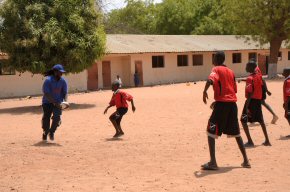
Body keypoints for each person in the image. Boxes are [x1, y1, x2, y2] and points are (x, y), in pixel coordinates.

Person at [202, 51, 250, 170]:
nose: (212, 60)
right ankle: (246, 161)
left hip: (222, 105)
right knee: (236, 132)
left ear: (217, 59)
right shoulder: (231, 71)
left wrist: (204, 91)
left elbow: (210, 80)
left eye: (213, 58)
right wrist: (218, 100)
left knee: (210, 130)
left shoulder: (216, 69)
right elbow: (233, 89)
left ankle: (213, 162)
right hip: (232, 105)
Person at [241, 61, 271, 147]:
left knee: (243, 121)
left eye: (247, 66)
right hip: (258, 101)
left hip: (251, 101)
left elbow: (250, 93)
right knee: (261, 121)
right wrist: (266, 91)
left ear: (250, 67)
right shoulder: (258, 76)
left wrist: (247, 106)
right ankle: (267, 141)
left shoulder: (250, 78)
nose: (245, 67)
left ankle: (250, 141)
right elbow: (262, 85)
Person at [42, 64, 68, 141]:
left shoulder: (63, 81)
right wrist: (54, 102)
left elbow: (65, 92)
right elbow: (46, 93)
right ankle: (45, 132)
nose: (61, 74)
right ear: (55, 72)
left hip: (58, 102)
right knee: (46, 118)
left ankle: (52, 132)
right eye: (60, 72)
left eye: (62, 72)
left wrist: (65, 102)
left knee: (57, 119)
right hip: (47, 102)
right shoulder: (48, 80)